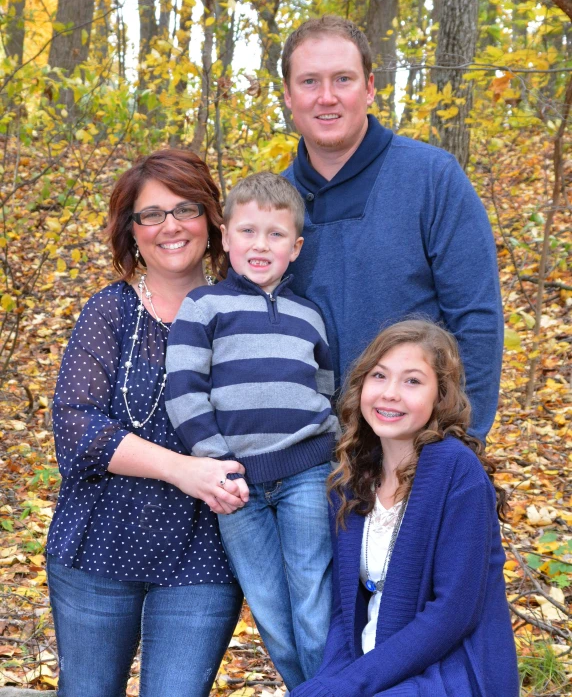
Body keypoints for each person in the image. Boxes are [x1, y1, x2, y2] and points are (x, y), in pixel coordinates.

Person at [46, 149, 249, 697]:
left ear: (211, 221)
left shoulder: (245, 316)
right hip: (98, 546)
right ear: (131, 231)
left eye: (185, 209)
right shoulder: (109, 312)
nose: (170, 227)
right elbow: (75, 427)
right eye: (151, 214)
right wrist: (182, 470)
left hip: (202, 553)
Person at [281, 16, 504, 442]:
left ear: (369, 88)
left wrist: (460, 442)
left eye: (342, 79)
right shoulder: (270, 208)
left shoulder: (432, 178)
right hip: (302, 464)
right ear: (289, 96)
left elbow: (476, 321)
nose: (326, 97)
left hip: (416, 448)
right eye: (309, 82)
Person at [165, 171, 339, 690]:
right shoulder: (204, 306)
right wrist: (217, 462)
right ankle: (308, 687)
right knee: (267, 605)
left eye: (276, 234)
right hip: (234, 484)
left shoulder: (309, 314)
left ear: (296, 246)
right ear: (224, 234)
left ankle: (329, 687)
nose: (260, 245)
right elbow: (185, 390)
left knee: (312, 596)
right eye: (247, 231)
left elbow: (325, 384)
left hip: (307, 469)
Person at [290, 319, 519, 697]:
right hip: (375, 669)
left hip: (450, 670)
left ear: (440, 397)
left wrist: (351, 684)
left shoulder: (456, 471)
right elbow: (346, 609)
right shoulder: (351, 478)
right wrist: (332, 679)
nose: (390, 393)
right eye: (379, 376)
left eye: (412, 381)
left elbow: (452, 614)